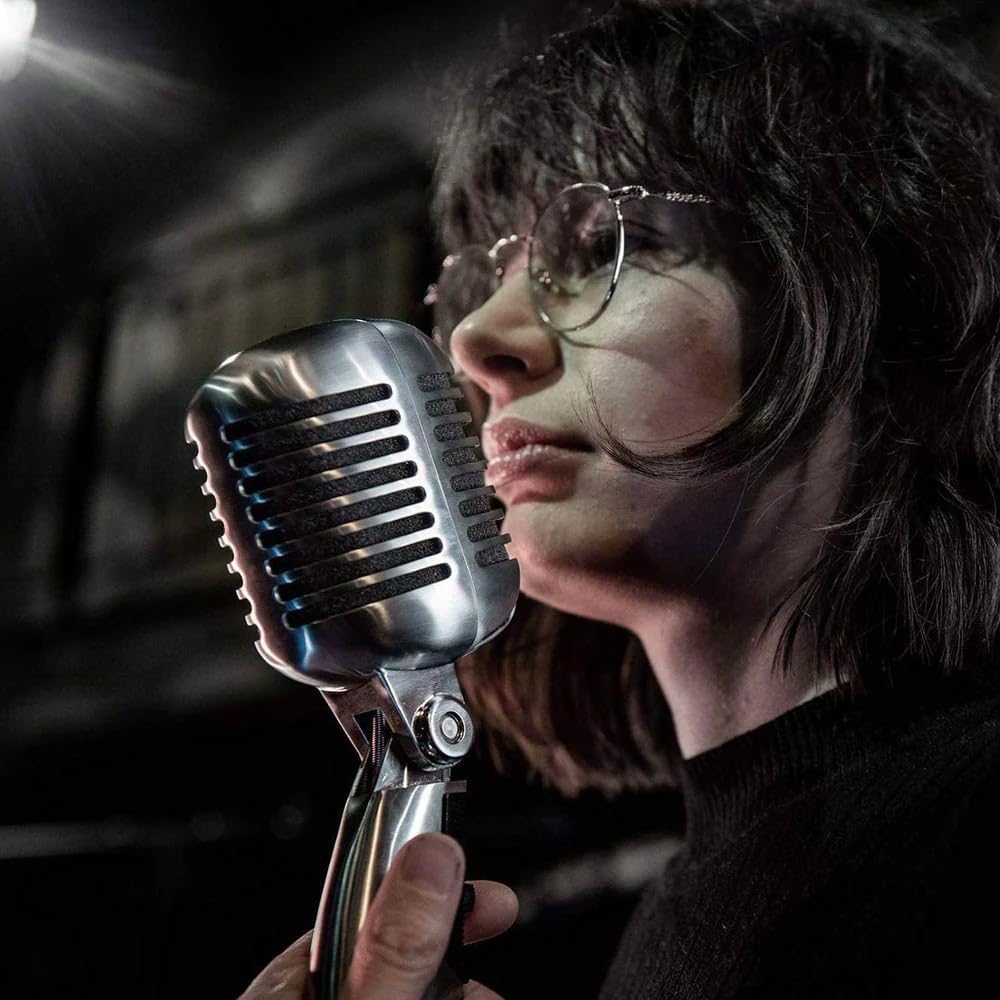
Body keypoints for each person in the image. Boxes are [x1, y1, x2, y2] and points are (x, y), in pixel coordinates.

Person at [241, 0, 1000, 996]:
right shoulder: (682, 909)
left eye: (608, 246)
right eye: (488, 275)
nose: (475, 341)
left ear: (888, 314)